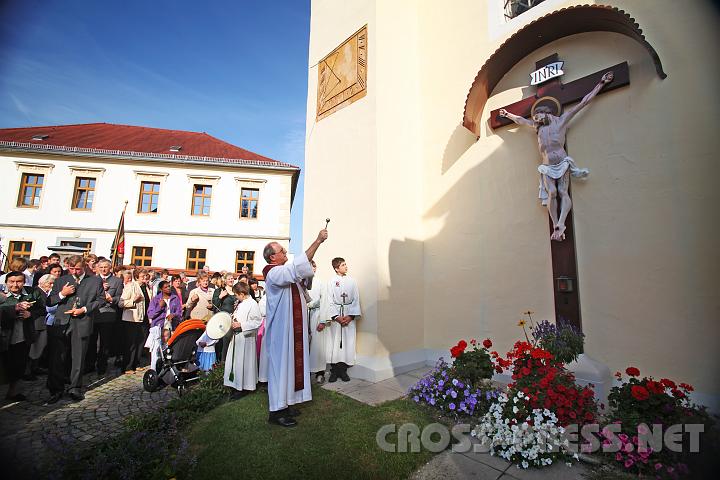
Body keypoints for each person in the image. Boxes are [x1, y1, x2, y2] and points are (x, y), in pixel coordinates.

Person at [498, 71, 614, 241]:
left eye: (538, 116)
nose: (536, 119)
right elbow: (521, 121)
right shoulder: (537, 127)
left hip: (562, 163)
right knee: (552, 192)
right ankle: (556, 225)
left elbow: (583, 103)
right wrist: (508, 114)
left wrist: (601, 84)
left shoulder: (561, 121)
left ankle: (562, 222)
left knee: (562, 191)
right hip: (546, 166)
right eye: (535, 118)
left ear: (546, 113)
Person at [263, 229, 327, 427]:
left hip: (293, 330)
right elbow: (296, 268)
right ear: (272, 256)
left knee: (291, 367)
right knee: (280, 369)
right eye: (282, 251)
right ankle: (276, 412)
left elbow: (304, 286)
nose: (285, 253)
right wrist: (317, 241)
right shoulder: (274, 273)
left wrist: (307, 277)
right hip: (282, 332)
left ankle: (288, 403)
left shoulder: (284, 273)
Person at [46, 255, 105, 402]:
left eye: (77, 269)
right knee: (57, 358)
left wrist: (84, 309)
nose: (74, 272)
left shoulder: (94, 280)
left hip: (82, 321)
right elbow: (50, 300)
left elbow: (101, 300)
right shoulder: (61, 280)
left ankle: (75, 388)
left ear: (84, 266)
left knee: (78, 357)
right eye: (71, 268)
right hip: (62, 322)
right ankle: (56, 389)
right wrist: (62, 294)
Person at [0, 271, 44, 400]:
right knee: (4, 364)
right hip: (4, 334)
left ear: (24, 282)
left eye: (18, 281)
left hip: (23, 335)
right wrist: (15, 309)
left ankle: (13, 391)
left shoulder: (31, 292)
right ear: (6, 282)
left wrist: (30, 314)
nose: (15, 285)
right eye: (11, 282)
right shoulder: (2, 295)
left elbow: (41, 308)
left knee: (19, 363)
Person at [223, 282, 262, 397]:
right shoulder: (242, 303)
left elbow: (257, 321)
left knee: (243, 363)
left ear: (242, 293)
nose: (235, 297)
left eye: (236, 294)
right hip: (236, 337)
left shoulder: (252, 304)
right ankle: (235, 384)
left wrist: (242, 325)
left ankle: (243, 387)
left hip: (246, 338)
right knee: (235, 362)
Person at [327, 257, 362, 382]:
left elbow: (356, 299)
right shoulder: (331, 281)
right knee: (335, 343)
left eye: (345, 264)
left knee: (347, 343)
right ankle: (334, 371)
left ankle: (343, 371)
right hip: (337, 315)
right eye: (343, 265)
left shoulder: (352, 281)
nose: (346, 266)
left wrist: (350, 316)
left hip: (348, 313)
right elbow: (329, 300)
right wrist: (336, 317)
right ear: (336, 268)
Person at [86, 259, 123, 374]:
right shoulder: (93, 279)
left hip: (108, 314)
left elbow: (120, 297)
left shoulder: (117, 281)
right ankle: (90, 364)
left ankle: (102, 365)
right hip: (94, 313)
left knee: (104, 342)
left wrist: (112, 299)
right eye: (101, 267)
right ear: (97, 268)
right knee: (92, 341)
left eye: (105, 267)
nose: (103, 269)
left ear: (110, 267)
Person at [145, 280, 182, 371]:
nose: (168, 288)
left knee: (169, 348)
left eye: (169, 286)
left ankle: (167, 369)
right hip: (158, 327)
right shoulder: (156, 299)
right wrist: (159, 307)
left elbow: (180, 313)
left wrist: (174, 315)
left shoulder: (175, 298)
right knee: (156, 349)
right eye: (165, 287)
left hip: (171, 326)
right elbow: (150, 314)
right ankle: (154, 370)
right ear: (161, 289)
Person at [307, 260, 331, 384]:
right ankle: (305, 372)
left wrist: (323, 320)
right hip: (302, 316)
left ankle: (319, 373)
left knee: (318, 346)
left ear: (315, 269)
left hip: (316, 315)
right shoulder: (300, 282)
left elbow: (325, 301)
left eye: (313, 267)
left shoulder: (320, 283)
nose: (312, 269)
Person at [27, 273, 55, 379]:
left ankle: (35, 367)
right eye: (50, 283)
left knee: (40, 346)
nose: (52, 286)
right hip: (36, 322)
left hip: (44, 323)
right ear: (43, 283)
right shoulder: (35, 291)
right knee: (33, 347)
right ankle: (28, 371)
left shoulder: (47, 292)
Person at [118, 270, 146, 373]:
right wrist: (133, 300)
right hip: (131, 319)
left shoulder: (146, 287)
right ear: (137, 277)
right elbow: (121, 303)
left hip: (142, 319)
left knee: (140, 342)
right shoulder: (131, 286)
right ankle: (127, 366)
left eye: (146, 276)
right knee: (131, 343)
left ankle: (136, 364)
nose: (145, 278)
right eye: (142, 276)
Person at [211, 272, 236, 361]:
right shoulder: (219, 290)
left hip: (234, 321)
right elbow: (214, 305)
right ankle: (222, 364)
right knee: (223, 344)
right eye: (229, 278)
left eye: (232, 278)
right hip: (223, 320)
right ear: (224, 280)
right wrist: (220, 297)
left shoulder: (236, 290)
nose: (231, 280)